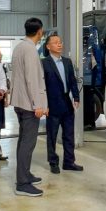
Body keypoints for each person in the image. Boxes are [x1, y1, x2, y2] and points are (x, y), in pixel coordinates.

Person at [10, 17, 48, 197]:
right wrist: (37, 104)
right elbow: (32, 79)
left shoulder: (19, 47)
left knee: (23, 141)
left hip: (19, 101)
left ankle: (25, 174)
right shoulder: (31, 50)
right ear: (40, 32)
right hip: (28, 104)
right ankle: (22, 183)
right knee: (28, 143)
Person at [41, 33, 82, 174]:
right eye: (55, 42)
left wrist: (76, 97)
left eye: (60, 42)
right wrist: (44, 104)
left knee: (69, 134)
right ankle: (53, 162)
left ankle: (69, 162)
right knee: (52, 135)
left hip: (66, 102)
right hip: (52, 104)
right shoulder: (44, 63)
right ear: (48, 46)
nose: (59, 44)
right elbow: (42, 86)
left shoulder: (67, 62)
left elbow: (72, 80)